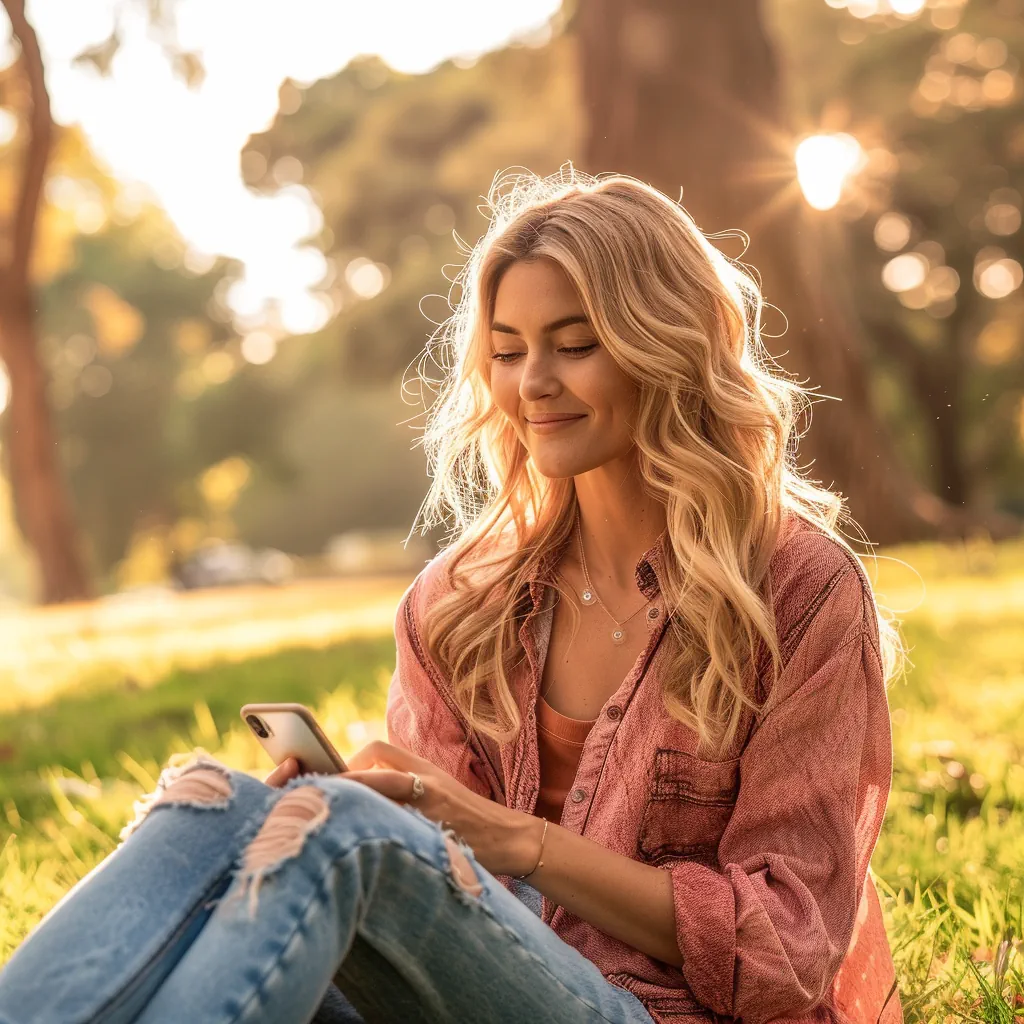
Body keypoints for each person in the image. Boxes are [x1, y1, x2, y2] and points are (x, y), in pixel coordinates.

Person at [0, 168, 906, 1024]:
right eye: (508, 352)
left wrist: (520, 842)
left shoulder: (795, 593)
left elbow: (790, 953)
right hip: (462, 986)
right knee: (214, 806)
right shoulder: (463, 602)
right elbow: (437, 893)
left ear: (667, 346)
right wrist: (406, 816)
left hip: (655, 1009)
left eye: (576, 344)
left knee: (344, 835)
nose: (533, 384)